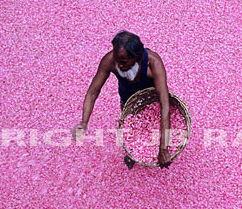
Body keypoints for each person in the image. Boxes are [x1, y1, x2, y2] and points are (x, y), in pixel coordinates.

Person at [71, 31, 172, 169]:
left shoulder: (153, 64)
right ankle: (132, 153)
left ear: (137, 57)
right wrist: (84, 121)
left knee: (151, 127)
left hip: (151, 102)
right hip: (127, 100)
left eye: (124, 62)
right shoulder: (110, 61)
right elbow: (93, 92)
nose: (120, 65)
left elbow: (165, 105)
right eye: (117, 60)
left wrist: (163, 148)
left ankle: (155, 146)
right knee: (130, 129)